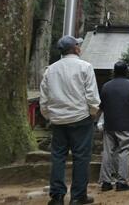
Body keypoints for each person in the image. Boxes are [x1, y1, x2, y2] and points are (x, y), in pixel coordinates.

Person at [40, 35, 100, 205]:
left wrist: (49, 116)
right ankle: (78, 196)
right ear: (75, 48)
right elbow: (92, 96)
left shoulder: (50, 70)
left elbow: (44, 99)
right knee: (81, 157)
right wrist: (92, 113)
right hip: (81, 118)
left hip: (58, 120)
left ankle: (57, 196)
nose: (79, 47)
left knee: (58, 157)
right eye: (78, 45)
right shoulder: (85, 67)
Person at [99, 61, 129, 192]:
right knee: (124, 151)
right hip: (126, 124)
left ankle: (106, 182)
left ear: (114, 71)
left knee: (108, 152)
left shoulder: (106, 86)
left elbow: (101, 105)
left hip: (109, 124)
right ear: (126, 71)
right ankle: (122, 181)